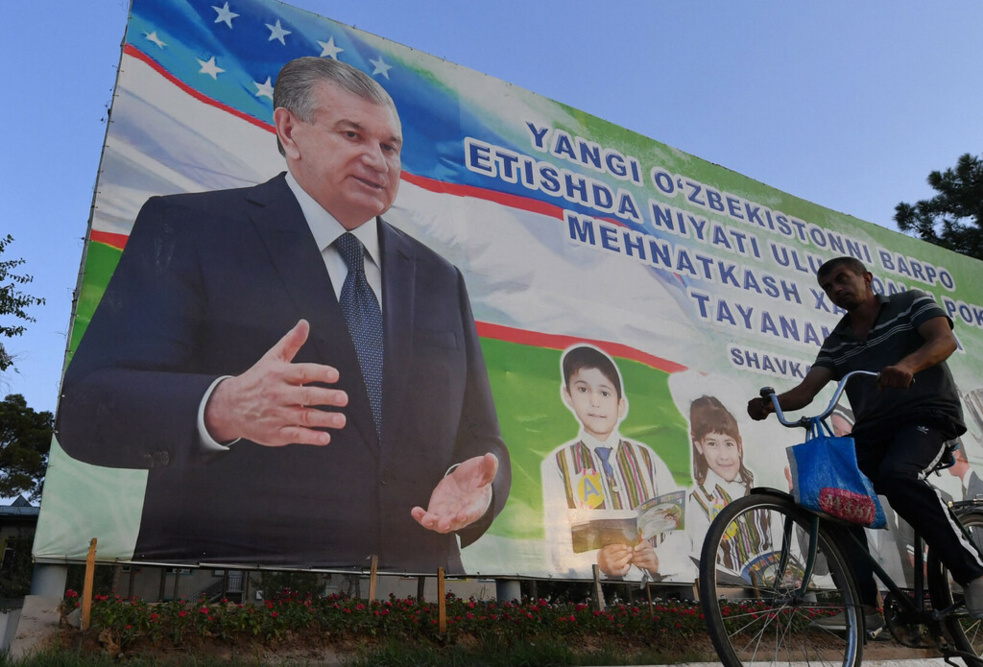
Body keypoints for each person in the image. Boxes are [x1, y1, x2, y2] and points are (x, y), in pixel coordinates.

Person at [56, 57, 510, 573]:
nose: (377, 160)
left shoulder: (439, 278)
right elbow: (86, 408)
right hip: (233, 595)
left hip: (422, 596)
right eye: (352, 135)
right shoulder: (190, 229)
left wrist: (481, 490)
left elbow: (484, 437)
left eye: (390, 147)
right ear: (289, 131)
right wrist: (221, 407)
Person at [746, 256, 983, 630]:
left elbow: (944, 339)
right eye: (828, 287)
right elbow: (806, 391)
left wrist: (908, 366)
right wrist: (771, 405)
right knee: (830, 494)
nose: (836, 289)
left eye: (842, 279)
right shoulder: (838, 341)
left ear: (866, 278)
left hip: (928, 416)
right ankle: (864, 607)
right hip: (874, 429)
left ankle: (976, 577)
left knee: (897, 476)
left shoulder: (909, 303)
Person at [542, 344, 687, 580]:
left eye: (604, 393)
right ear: (568, 396)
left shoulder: (648, 458)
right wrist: (597, 562)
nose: (594, 402)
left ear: (621, 405)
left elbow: (679, 532)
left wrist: (659, 559)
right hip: (595, 592)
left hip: (656, 589)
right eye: (583, 389)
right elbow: (556, 546)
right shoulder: (558, 464)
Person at [685, 395, 769, 574]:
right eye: (712, 444)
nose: (723, 456)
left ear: (739, 445)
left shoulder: (760, 493)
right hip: (726, 588)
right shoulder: (698, 501)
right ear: (699, 447)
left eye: (729, 444)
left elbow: (783, 546)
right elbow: (701, 560)